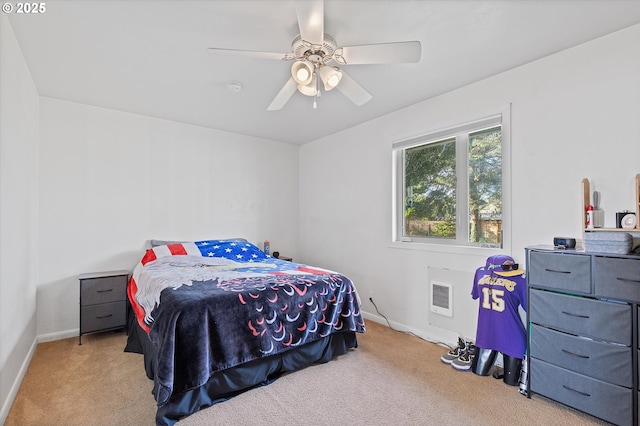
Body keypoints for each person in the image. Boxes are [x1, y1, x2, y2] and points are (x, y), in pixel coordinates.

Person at [470, 254, 527, 386]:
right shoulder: (480, 273)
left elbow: (528, 307)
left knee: (511, 382)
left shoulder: (520, 279)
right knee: (478, 373)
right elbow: (476, 295)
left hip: (512, 336)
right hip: (486, 334)